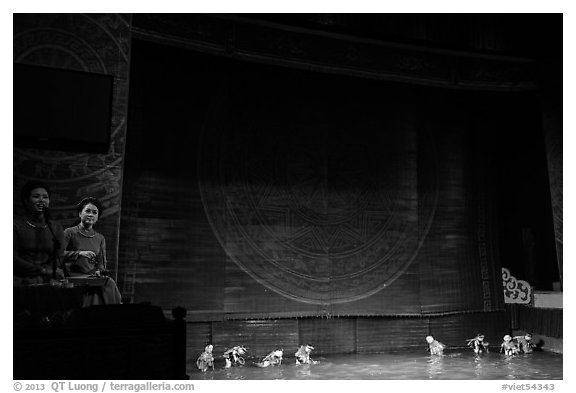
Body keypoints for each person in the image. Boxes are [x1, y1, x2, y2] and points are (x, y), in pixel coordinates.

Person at [63, 197, 121, 305]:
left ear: (97, 217)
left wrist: (99, 270)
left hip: (91, 276)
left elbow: (101, 263)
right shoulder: (70, 232)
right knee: (105, 284)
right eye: (88, 211)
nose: (91, 215)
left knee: (106, 282)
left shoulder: (100, 238)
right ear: (80, 213)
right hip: (73, 275)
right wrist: (79, 253)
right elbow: (58, 254)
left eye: (94, 212)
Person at [14, 181, 65, 285]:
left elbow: (59, 255)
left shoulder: (55, 227)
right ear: (26, 200)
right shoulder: (15, 225)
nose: (42, 200)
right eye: (36, 196)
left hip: (47, 280)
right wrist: (41, 271)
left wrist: (51, 270)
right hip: (18, 279)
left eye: (45, 197)